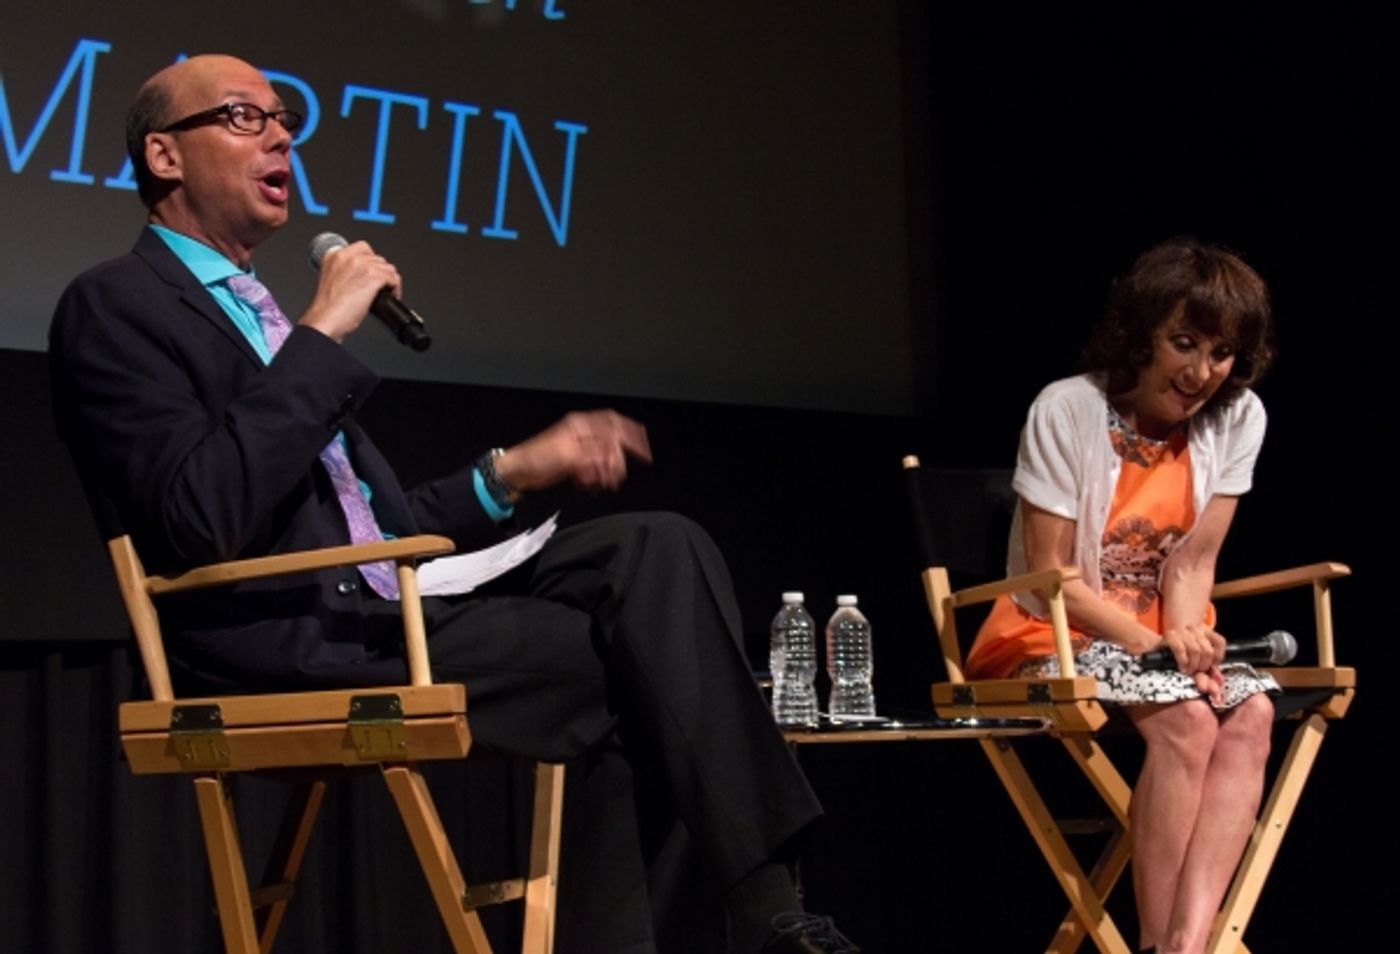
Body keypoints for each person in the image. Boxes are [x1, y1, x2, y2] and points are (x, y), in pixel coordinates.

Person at [48, 54, 859, 954]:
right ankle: (768, 911)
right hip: (281, 639)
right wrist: (321, 334)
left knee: (655, 546)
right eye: (245, 117)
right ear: (164, 155)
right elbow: (198, 518)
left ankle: (760, 908)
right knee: (657, 672)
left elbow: (375, 530)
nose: (281, 135)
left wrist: (513, 470)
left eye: (286, 119)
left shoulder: (261, 315)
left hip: (376, 603)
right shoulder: (116, 305)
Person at [964, 238, 1278, 954]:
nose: (1203, 372)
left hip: (1165, 634)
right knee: (1190, 723)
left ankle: (1186, 944)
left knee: (1254, 711)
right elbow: (1052, 576)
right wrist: (1155, 647)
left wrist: (1185, 638)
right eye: (1185, 343)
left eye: (1222, 353)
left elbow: (1194, 563)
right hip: (1053, 632)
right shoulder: (1066, 410)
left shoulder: (1238, 418)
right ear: (1142, 333)